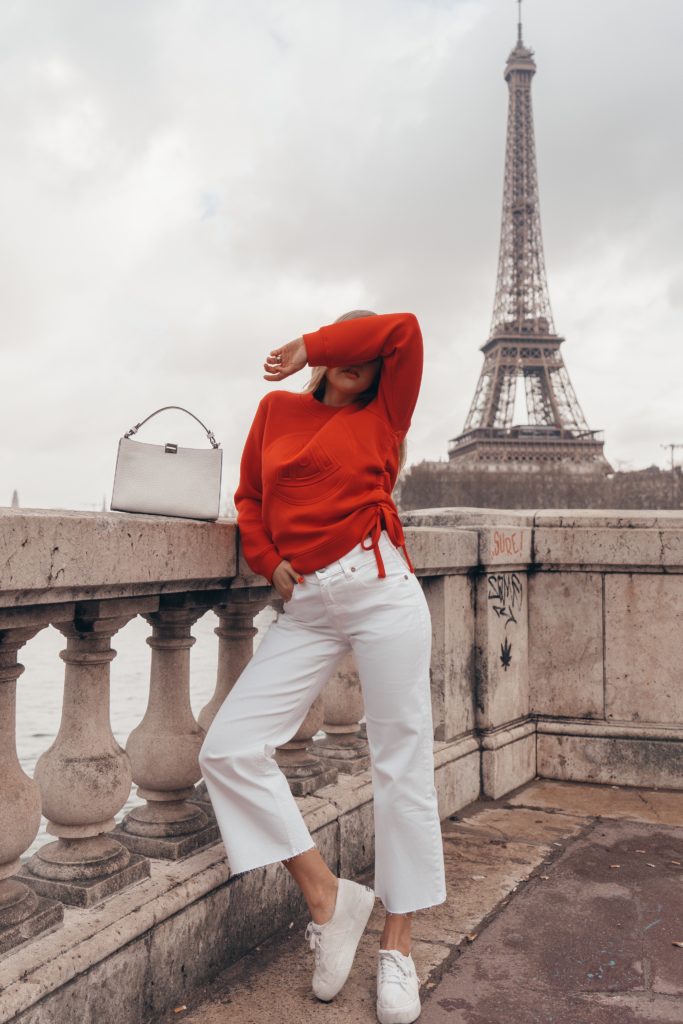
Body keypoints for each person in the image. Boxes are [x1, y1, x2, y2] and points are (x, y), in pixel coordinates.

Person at [198, 310, 447, 1024]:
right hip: (305, 601)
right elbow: (249, 497)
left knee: (399, 761)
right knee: (229, 747)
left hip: (380, 590)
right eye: (346, 343)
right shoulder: (276, 410)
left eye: (363, 352)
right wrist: (267, 561)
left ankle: (397, 948)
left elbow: (404, 331)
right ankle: (328, 898)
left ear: (374, 366)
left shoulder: (385, 417)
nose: (354, 359)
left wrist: (313, 342)